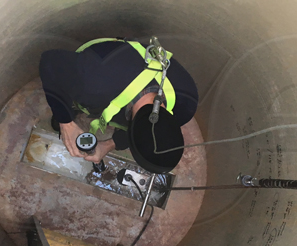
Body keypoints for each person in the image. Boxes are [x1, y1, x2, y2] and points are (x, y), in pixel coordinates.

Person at [39, 37, 198, 173]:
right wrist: (66, 122)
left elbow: (147, 132)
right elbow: (48, 63)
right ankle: (71, 109)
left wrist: (107, 145)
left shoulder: (185, 105)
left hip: (118, 72)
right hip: (102, 64)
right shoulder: (91, 84)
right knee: (78, 100)